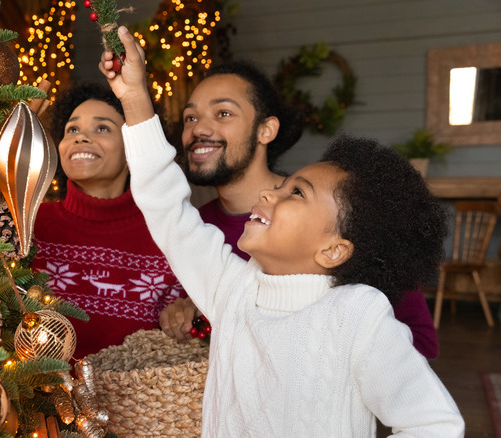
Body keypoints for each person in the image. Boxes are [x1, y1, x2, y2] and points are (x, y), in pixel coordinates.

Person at [99, 27, 463, 436]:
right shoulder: (232, 289)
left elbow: (434, 423)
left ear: (333, 250)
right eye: (281, 187)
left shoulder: (357, 316)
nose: (272, 193)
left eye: (296, 193)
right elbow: (166, 207)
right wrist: (134, 99)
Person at [160, 58, 440, 358]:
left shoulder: (338, 217)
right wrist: (192, 313)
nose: (198, 128)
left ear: (266, 129)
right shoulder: (194, 228)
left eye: (223, 113)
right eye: (190, 118)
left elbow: (420, 344)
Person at [31, 82, 185, 360]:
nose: (81, 138)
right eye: (72, 130)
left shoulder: (167, 233)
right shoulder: (31, 224)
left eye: (102, 128)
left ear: (133, 150)